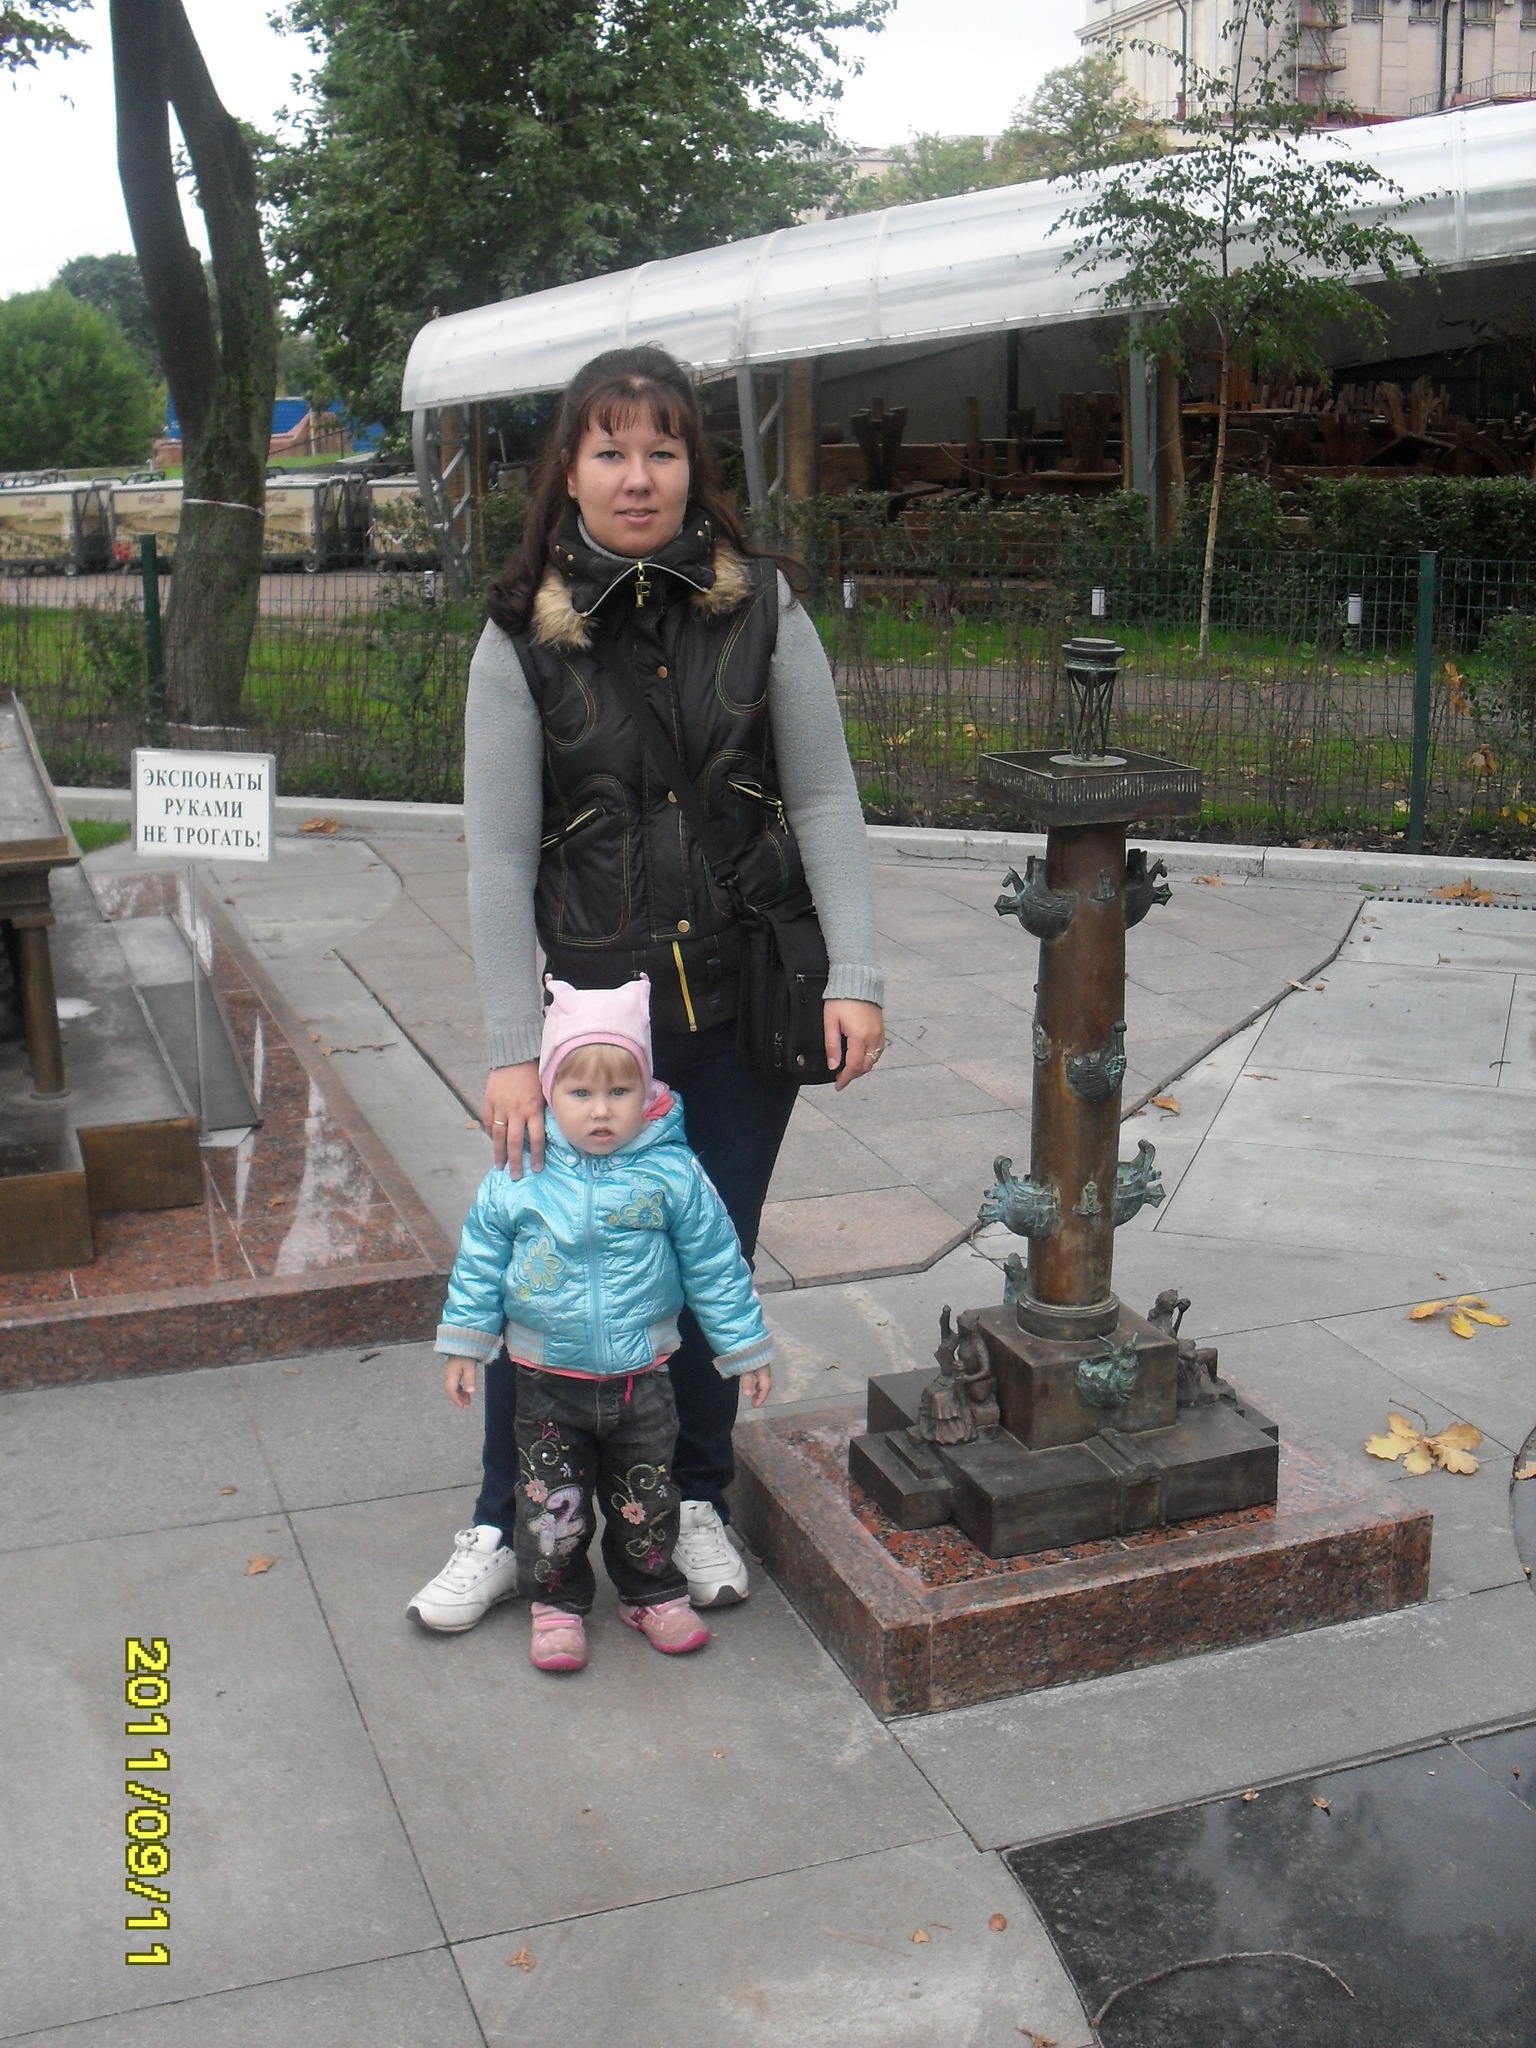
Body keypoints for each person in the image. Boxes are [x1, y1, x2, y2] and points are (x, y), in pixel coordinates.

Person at [407, 343, 884, 1633]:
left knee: (706, 1255)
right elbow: (498, 855)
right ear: (568, 470)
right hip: (589, 1032)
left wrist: (857, 972)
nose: (637, 476)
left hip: (738, 1002)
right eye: (610, 449)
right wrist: (510, 1048)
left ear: (693, 467)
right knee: (548, 1271)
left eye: (661, 449)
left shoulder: (765, 606)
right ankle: (505, 1523)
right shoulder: (520, 633)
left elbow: (826, 796)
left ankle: (693, 1499)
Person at [434, 978, 772, 1671]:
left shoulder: (672, 1173)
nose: (600, 1110)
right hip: (547, 1379)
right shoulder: (521, 1172)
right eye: (580, 1091)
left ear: (646, 1092)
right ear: (548, 1092)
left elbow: (716, 1264)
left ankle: (651, 1592)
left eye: (619, 1091)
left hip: (641, 1379)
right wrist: (467, 1342)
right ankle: (556, 1604)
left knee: (647, 1495)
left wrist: (744, 1346)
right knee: (551, 1506)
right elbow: (480, 1261)